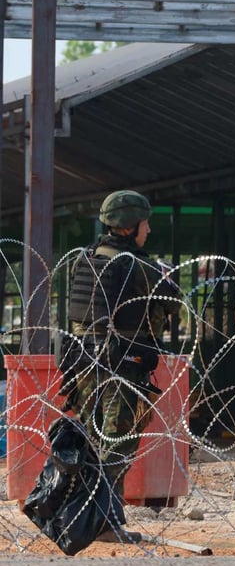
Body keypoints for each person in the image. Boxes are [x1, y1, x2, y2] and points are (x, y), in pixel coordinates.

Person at [64, 190, 179, 542]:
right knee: (118, 445)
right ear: (130, 227)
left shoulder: (85, 260)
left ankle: (89, 517)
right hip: (123, 365)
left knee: (95, 442)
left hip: (86, 363)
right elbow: (174, 302)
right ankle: (101, 524)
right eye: (145, 224)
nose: (148, 231)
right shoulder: (140, 266)